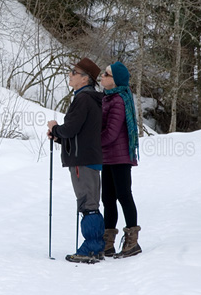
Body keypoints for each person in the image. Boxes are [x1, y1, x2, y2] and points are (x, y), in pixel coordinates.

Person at [47, 58, 105, 263]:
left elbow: (71, 128)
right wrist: (60, 136)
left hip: (83, 160)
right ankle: (95, 246)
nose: (70, 75)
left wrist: (55, 128)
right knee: (90, 202)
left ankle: (92, 247)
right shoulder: (90, 98)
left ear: (85, 78)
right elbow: (80, 133)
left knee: (88, 204)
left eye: (74, 72)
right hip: (88, 156)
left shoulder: (84, 99)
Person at [99, 61, 142, 259]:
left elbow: (111, 133)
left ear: (115, 80)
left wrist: (92, 143)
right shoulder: (108, 98)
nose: (102, 76)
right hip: (108, 156)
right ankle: (108, 243)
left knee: (124, 195)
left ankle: (132, 240)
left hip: (120, 156)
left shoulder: (118, 101)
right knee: (107, 198)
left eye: (106, 74)